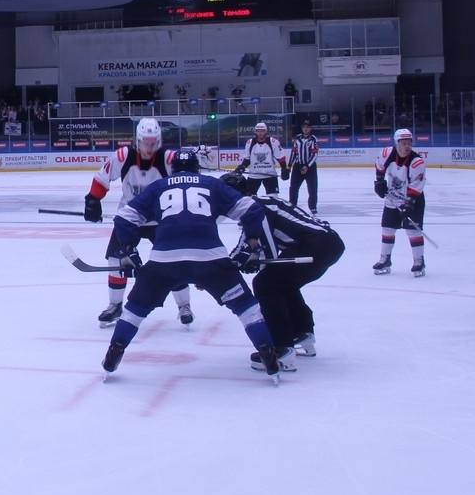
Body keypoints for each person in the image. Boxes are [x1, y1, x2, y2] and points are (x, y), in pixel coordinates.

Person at [101, 150, 282, 383]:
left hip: (164, 260)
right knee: (246, 307)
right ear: (197, 168)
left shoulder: (158, 186)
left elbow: (124, 217)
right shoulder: (212, 184)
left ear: (172, 169)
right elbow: (252, 210)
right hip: (211, 258)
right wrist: (252, 242)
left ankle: (114, 351)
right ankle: (268, 353)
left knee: (135, 309)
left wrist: (128, 249)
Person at [222, 170, 346, 372]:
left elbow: (267, 252)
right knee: (283, 282)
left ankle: (281, 347)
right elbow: (255, 247)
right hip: (328, 244)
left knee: (266, 284)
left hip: (316, 245)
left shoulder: (254, 208)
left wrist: (226, 267)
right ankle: (302, 332)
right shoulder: (262, 202)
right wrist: (246, 261)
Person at [83, 117, 194, 328]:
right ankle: (115, 305)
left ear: (159, 141)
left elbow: (186, 181)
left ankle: (184, 306)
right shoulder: (123, 156)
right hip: (129, 219)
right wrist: (93, 200)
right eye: (145, 142)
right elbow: (102, 178)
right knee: (115, 260)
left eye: (154, 143)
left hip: (160, 220)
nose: (149, 147)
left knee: (173, 260)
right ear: (137, 140)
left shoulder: (169, 159)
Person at [371, 128, 427, 277]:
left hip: (413, 200)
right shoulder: (387, 153)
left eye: (409, 143)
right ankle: (385, 259)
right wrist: (379, 182)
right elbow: (380, 166)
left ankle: (419, 260)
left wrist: (408, 205)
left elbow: (416, 187)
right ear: (397, 143)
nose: (407, 146)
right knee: (387, 228)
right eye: (403, 143)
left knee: (412, 230)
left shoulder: (416, 162)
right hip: (393, 198)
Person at [231, 122, 288, 196]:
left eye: (262, 131)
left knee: (273, 198)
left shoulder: (273, 142)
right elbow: (247, 159)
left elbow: (281, 157)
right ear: (255, 132)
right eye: (258, 131)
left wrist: (284, 169)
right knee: (249, 197)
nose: (260, 133)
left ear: (265, 131)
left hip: (270, 175)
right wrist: (242, 167)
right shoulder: (250, 143)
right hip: (254, 175)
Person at [287, 119, 320, 214]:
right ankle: (292, 204)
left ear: (311, 128)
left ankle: (313, 207)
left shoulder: (313, 139)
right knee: (293, 187)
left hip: (310, 167)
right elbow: (294, 152)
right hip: (297, 166)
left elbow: (314, 154)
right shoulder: (297, 138)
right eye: (304, 127)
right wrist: (289, 165)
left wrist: (307, 166)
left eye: (307, 127)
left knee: (312, 188)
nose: (305, 129)